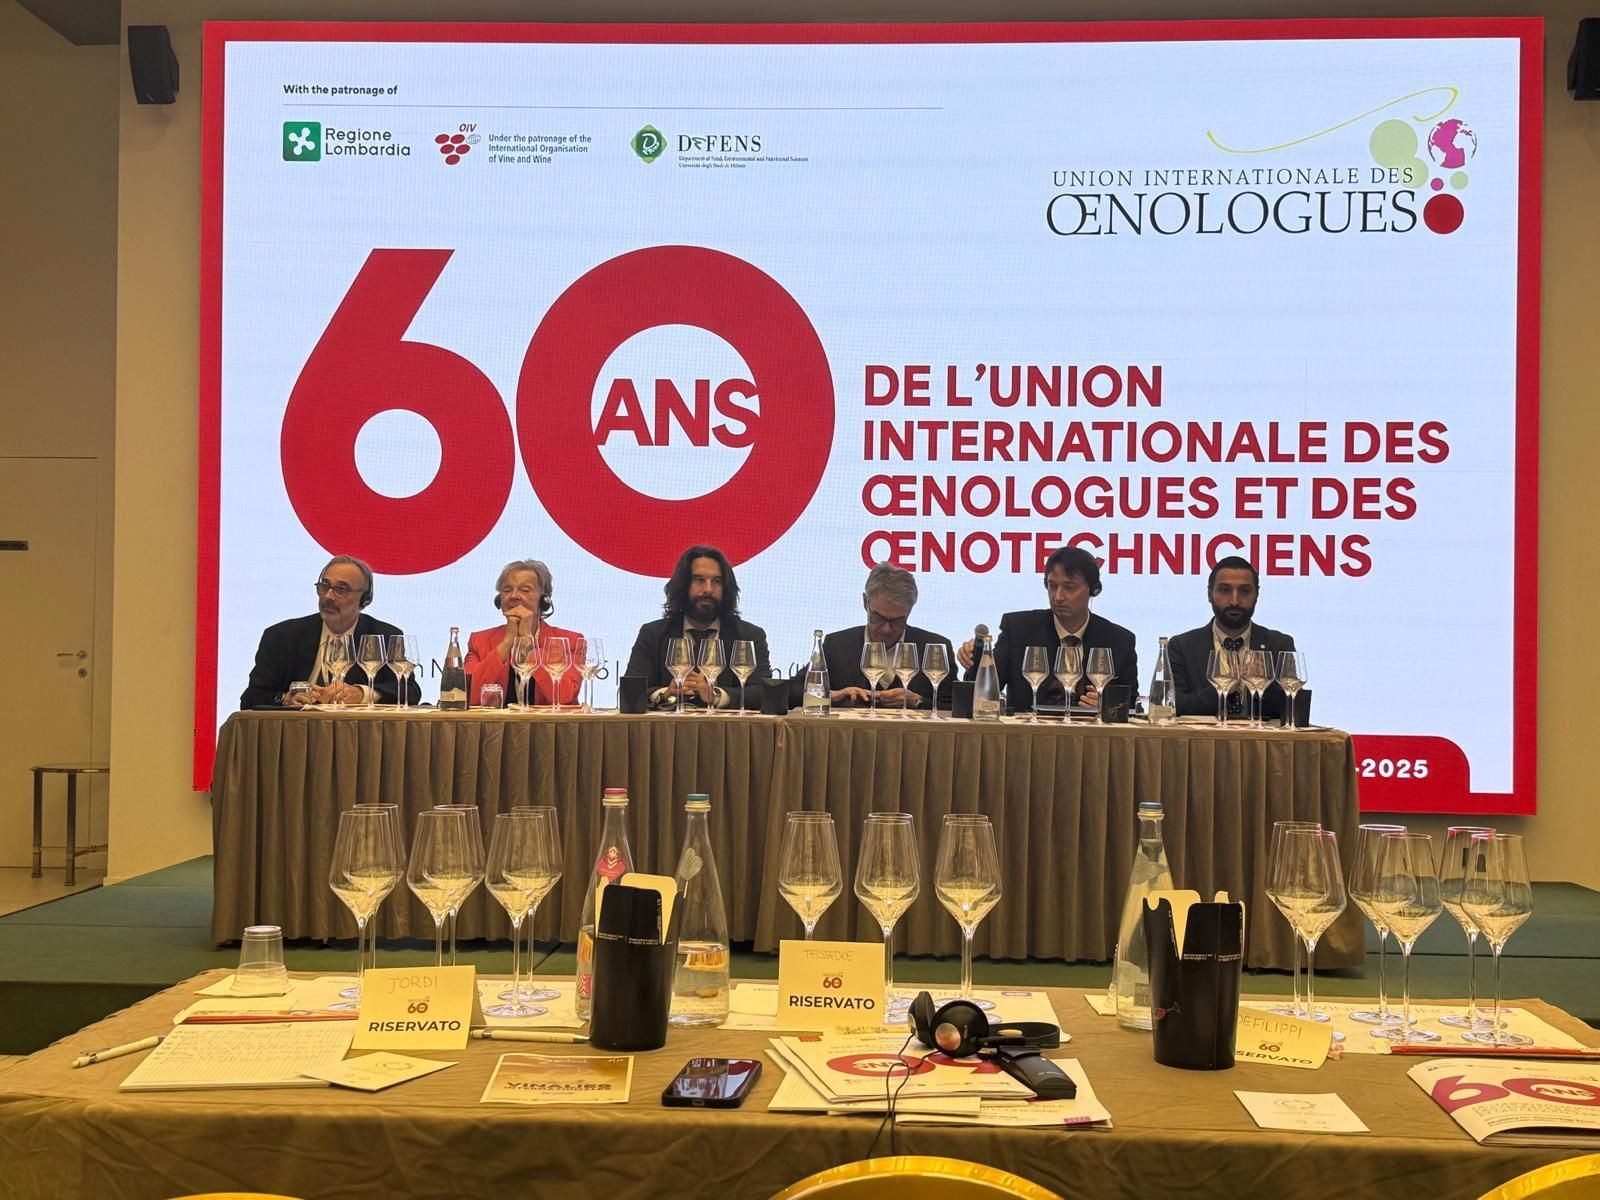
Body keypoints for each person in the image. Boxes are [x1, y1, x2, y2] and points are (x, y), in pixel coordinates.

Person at [959, 545, 1138, 714]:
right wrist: (977, 659)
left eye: (1069, 587)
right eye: (1052, 586)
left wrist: (1107, 707)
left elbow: (1131, 705)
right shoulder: (1018, 629)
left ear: (1093, 589)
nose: (1058, 597)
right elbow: (986, 689)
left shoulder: (1119, 640)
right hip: (1025, 739)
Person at [240, 555, 420, 709]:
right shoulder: (282, 636)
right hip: (297, 734)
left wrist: (362, 693)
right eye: (324, 586)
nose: (328, 596)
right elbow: (251, 697)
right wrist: (285, 699)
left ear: (364, 599)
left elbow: (410, 691)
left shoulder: (384, 635)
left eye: (341, 589)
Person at [625, 545, 772, 709]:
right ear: (684, 585)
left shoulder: (749, 635)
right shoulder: (653, 634)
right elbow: (628, 693)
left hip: (726, 732)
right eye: (699, 580)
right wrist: (667, 693)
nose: (708, 589)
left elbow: (764, 693)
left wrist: (715, 695)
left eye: (717, 581)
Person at [795, 563, 955, 710]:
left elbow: (956, 708)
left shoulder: (935, 647)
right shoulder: (836, 645)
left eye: (898, 621)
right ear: (865, 602)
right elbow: (791, 691)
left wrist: (918, 701)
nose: (886, 628)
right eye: (878, 617)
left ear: (910, 610)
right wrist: (831, 696)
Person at [1167, 556, 1297, 720]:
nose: (1235, 601)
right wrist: (1224, 687)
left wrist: (1260, 686)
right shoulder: (1182, 646)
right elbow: (1173, 705)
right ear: (1209, 594)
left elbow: (1294, 707)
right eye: (1224, 590)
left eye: (1244, 591)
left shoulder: (1279, 645)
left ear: (1257, 595)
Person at [464, 559, 585, 707]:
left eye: (525, 590)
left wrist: (529, 643)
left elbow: (564, 697)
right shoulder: (479, 640)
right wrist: (507, 642)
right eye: (507, 590)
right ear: (499, 600)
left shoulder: (570, 641)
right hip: (495, 728)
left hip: (549, 728)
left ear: (544, 600)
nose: (514, 596)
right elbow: (467, 695)